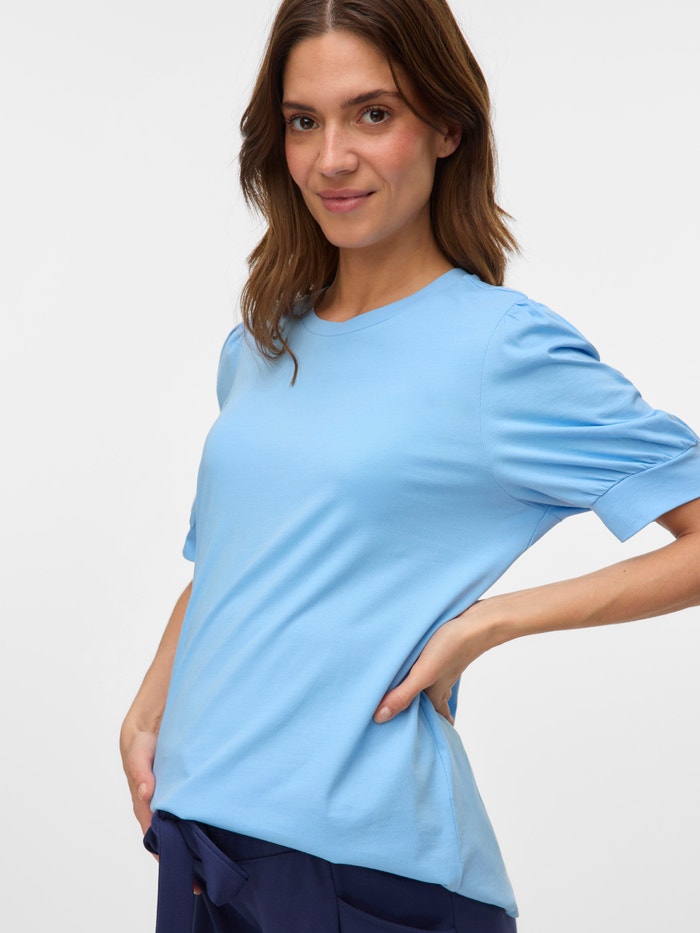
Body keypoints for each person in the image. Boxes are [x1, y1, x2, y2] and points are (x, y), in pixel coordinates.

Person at [120, 1, 700, 930]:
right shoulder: (262, 344)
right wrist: (152, 704)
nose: (331, 158)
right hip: (204, 843)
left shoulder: (499, 351)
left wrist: (489, 622)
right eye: (303, 121)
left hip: (357, 872)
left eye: (373, 113)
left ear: (446, 126)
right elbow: (237, 556)